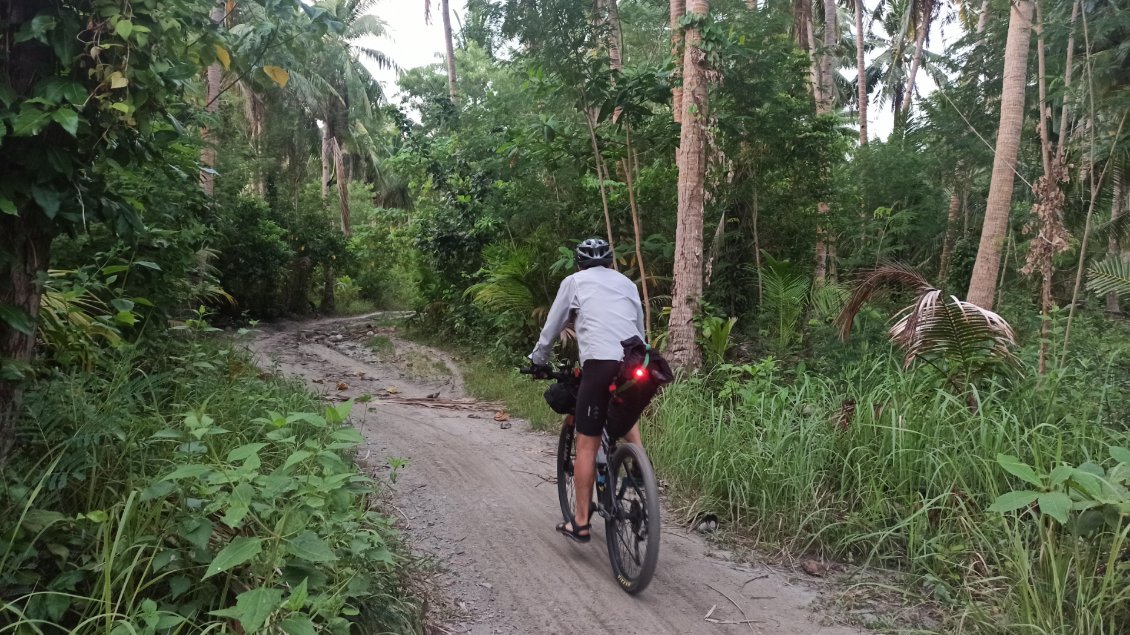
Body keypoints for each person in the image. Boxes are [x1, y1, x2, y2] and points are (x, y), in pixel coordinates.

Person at [529, 237, 646, 543]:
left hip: (601, 364)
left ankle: (580, 522)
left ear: (579, 264)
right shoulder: (627, 284)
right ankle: (640, 470)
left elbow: (553, 326)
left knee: (586, 445)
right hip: (638, 362)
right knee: (626, 412)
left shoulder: (574, 282)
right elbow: (640, 328)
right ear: (610, 262)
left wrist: (538, 359)